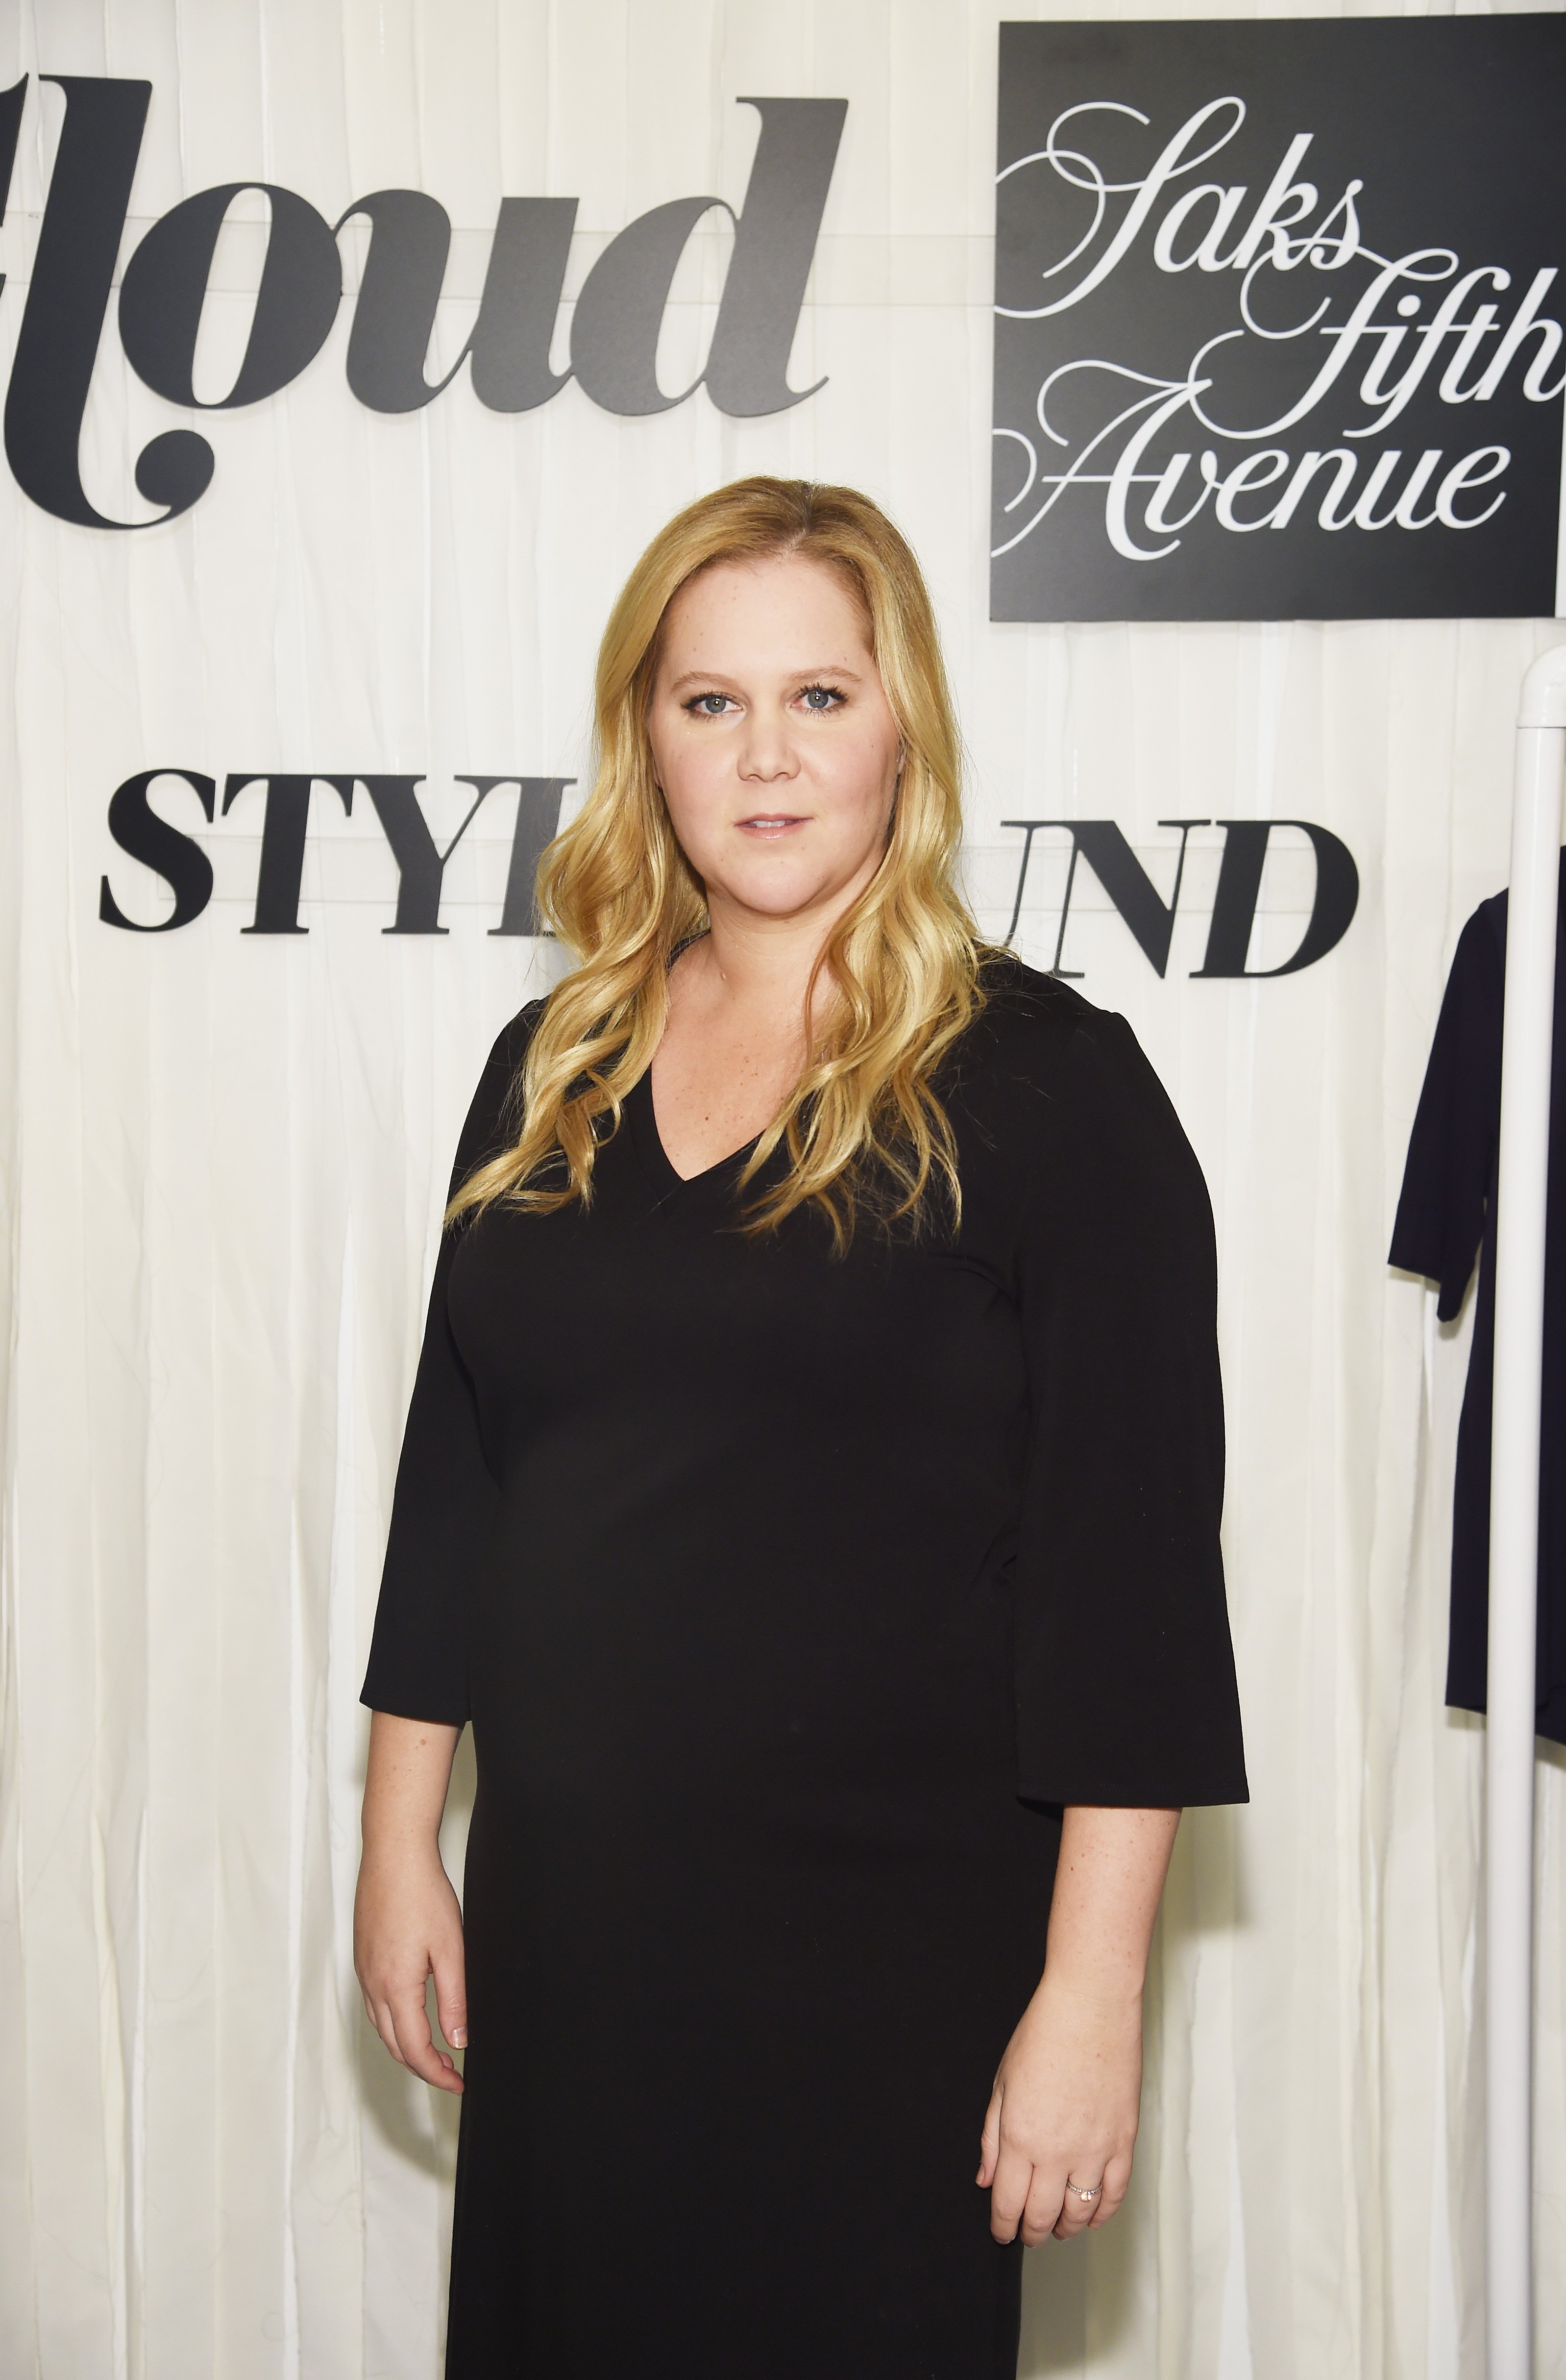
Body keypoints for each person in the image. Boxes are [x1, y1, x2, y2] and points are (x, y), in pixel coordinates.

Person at [353, 476, 1247, 2379]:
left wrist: (1089, 2000)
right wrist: (399, 1826)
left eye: (820, 697)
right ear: (643, 738)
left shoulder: (1052, 1088)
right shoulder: (554, 1065)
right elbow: (464, 1466)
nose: (765, 756)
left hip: (890, 1957)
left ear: (903, 725)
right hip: (576, 1935)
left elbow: (1132, 1580)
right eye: (709, 702)